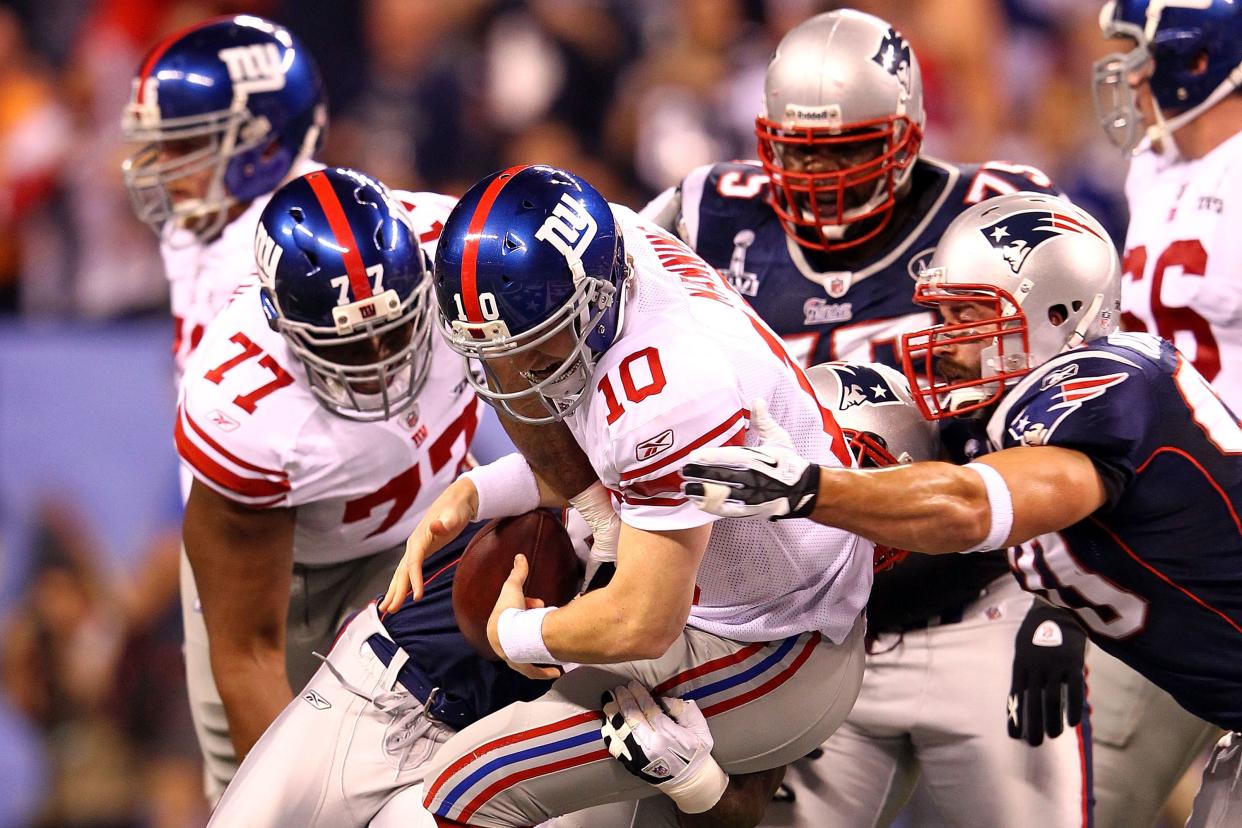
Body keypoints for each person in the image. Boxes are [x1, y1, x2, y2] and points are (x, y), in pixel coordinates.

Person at [641, 10, 1089, 825]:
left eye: (848, 147)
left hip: (975, 606)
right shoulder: (709, 212)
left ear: (909, 130)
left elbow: (1086, 414)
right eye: (801, 149)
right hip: (806, 628)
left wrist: (1060, 605)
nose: (822, 175)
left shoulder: (998, 216)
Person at [680, 190, 1242, 828]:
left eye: (969, 315)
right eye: (940, 315)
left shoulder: (1108, 380)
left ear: (1060, 312)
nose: (943, 340)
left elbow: (975, 507)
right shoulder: (998, 421)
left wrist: (807, 487)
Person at [379, 163, 872, 827]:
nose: (514, 375)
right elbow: (622, 468)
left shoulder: (664, 387)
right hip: (725, 593)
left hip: (780, 643)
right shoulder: (607, 242)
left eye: (533, 351)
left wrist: (514, 634)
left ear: (595, 299)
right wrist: (474, 491)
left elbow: (643, 619)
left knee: (458, 795)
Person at [176, 166, 480, 797]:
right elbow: (248, 654)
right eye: (347, 347)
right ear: (280, 325)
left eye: (394, 330)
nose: (382, 364)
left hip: (444, 519)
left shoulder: (468, 255)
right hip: (295, 579)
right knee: (266, 788)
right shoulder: (246, 413)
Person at [119, 14, 329, 800]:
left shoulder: (291, 253)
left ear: (261, 144)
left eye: (186, 142)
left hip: (282, 533)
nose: (156, 163)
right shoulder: (203, 221)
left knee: (281, 781)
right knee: (232, 780)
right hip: (224, 520)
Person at [1090, 2, 1241, 822]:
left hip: (1228, 517)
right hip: (1167, 514)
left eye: (1143, 55)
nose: (1131, 75)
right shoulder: (1156, 167)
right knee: (1082, 797)